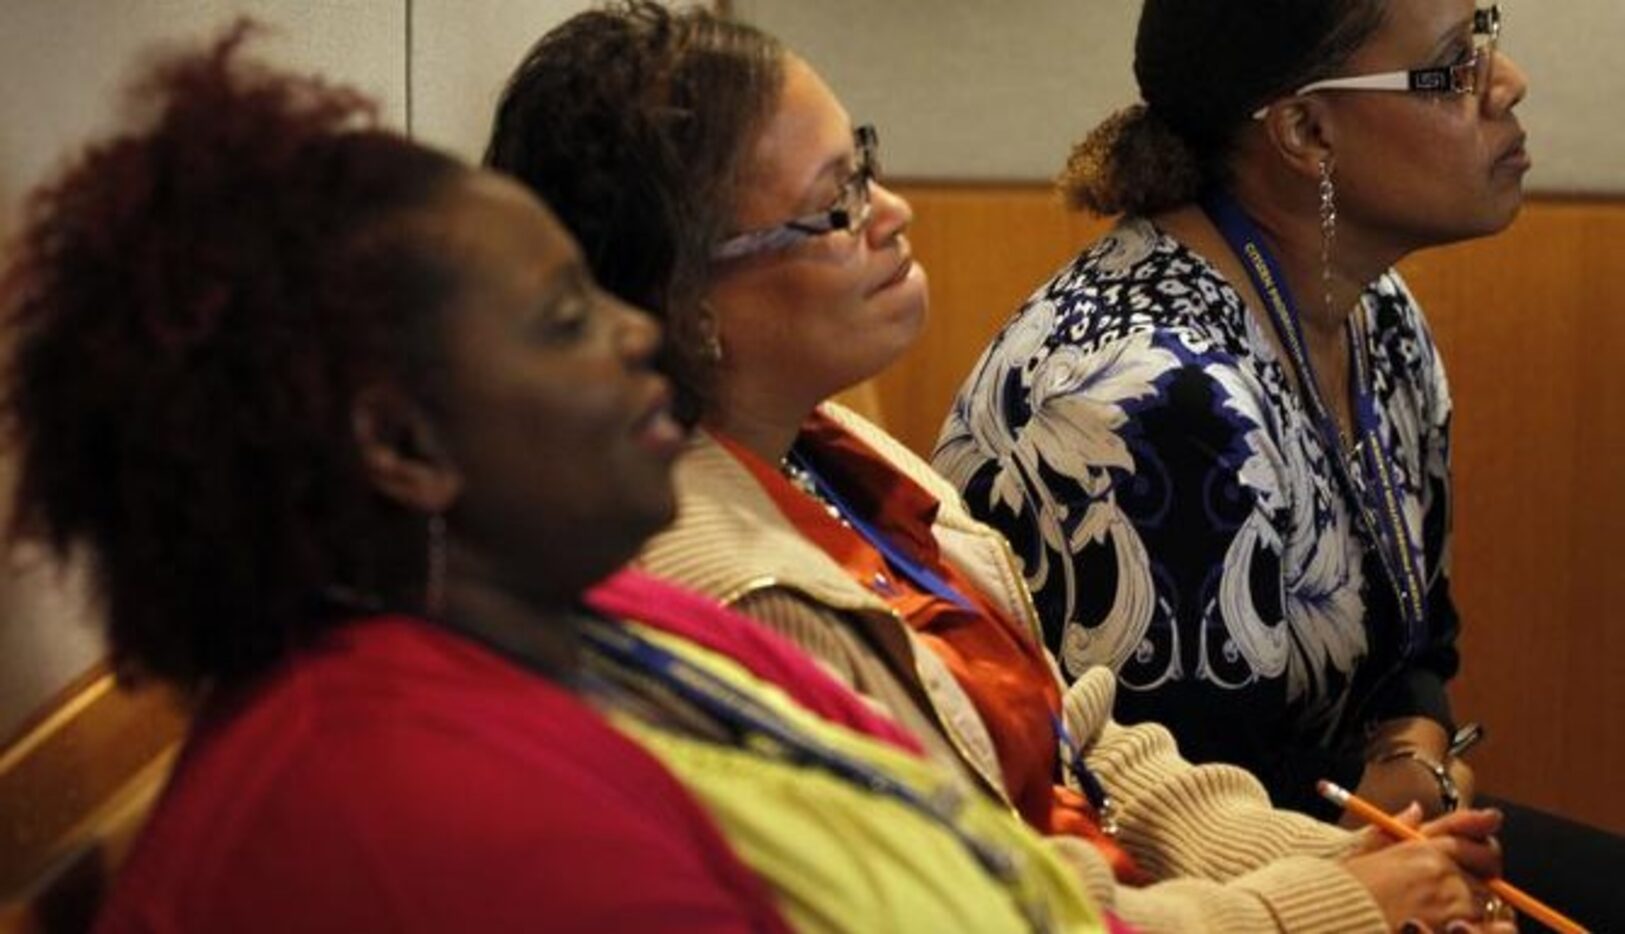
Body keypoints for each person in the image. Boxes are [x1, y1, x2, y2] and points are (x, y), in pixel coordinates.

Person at [2, 26, 1118, 933]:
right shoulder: (397, 811)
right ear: (405, 449)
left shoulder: (591, 615)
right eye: (563, 318)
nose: (637, 336)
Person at [486, 3, 1514, 931]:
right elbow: (994, 907)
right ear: (685, 293)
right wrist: (1333, 900)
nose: (891, 211)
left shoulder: (833, 449)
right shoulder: (738, 603)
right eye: (834, 204)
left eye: (866, 163)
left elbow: (1088, 746)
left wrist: (1353, 858)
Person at [936, 0, 1625, 927]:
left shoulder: (1377, 315)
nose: (1507, 83)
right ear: (1305, 130)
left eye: (1485, 38)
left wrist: (1418, 758)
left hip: (1362, 829)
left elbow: (1416, 639)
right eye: (1454, 64)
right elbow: (1160, 828)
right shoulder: (1150, 397)